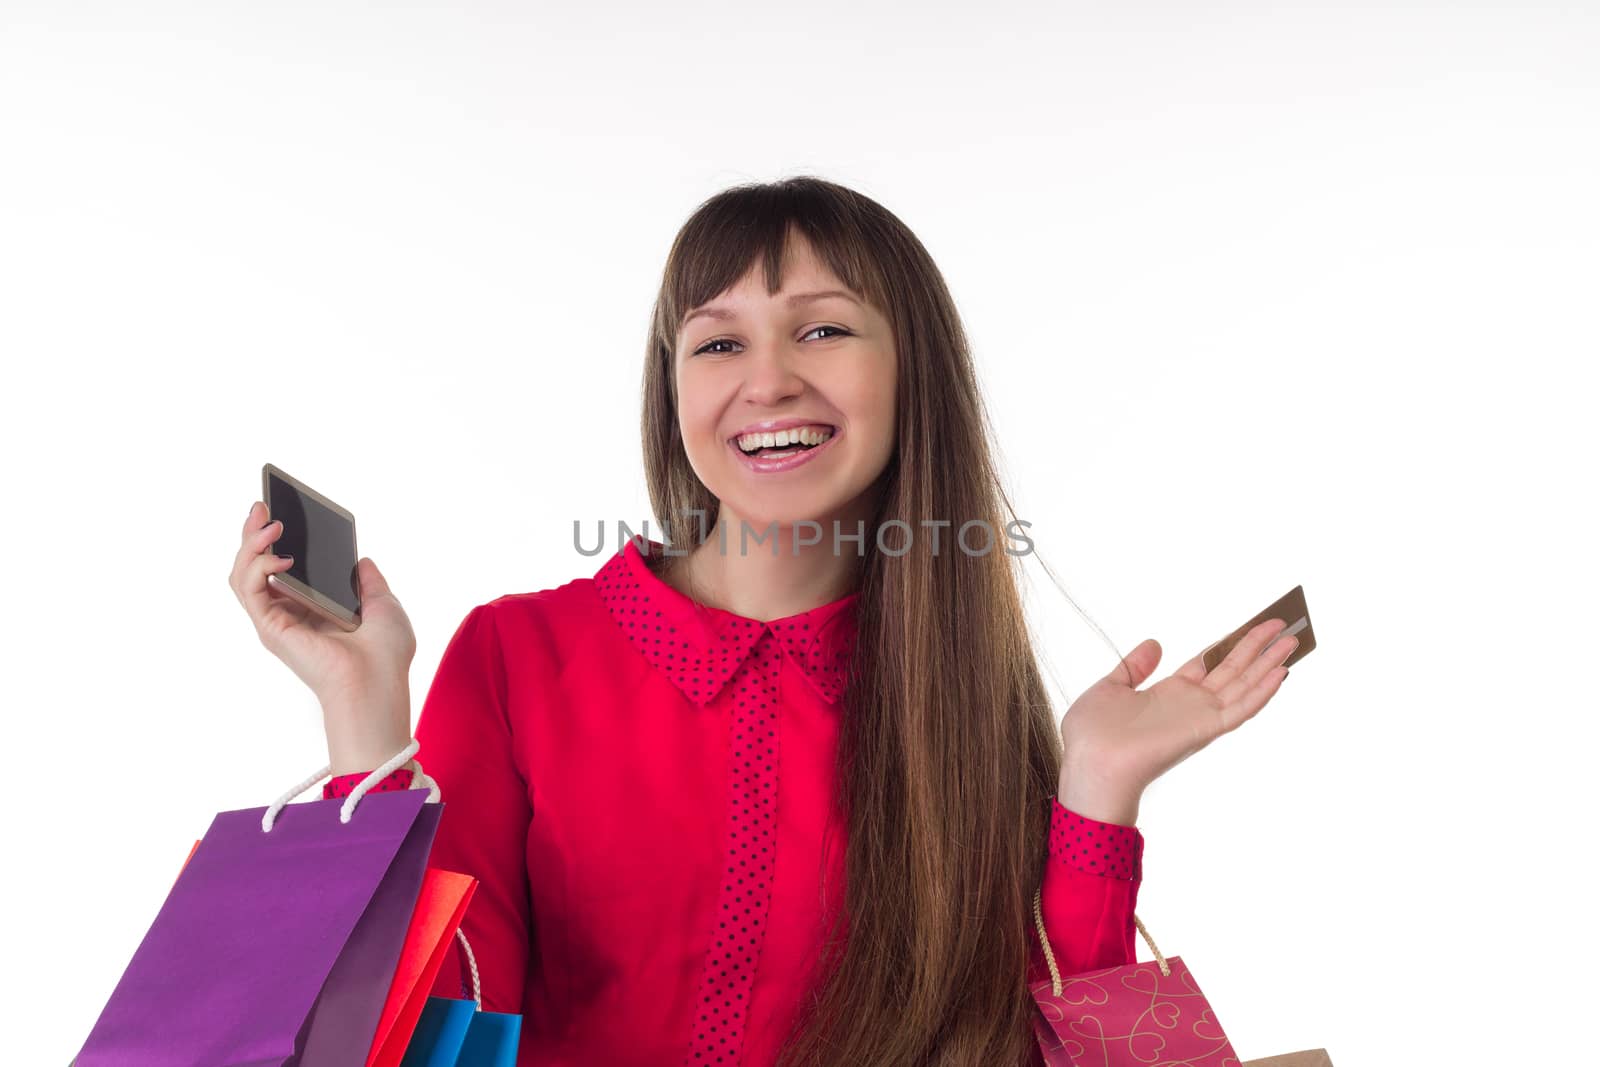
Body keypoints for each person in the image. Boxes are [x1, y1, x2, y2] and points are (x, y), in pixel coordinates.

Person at [229, 176, 1296, 1067]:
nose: (769, 379)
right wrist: (363, 721)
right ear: (673, 388)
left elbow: (1058, 1045)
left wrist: (1096, 794)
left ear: (911, 369)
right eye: (716, 344)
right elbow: (423, 1028)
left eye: (823, 328)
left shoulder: (955, 688)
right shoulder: (519, 656)